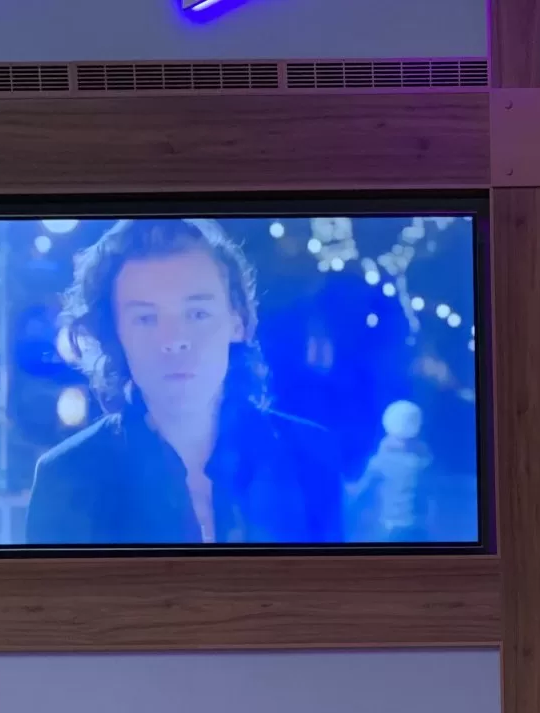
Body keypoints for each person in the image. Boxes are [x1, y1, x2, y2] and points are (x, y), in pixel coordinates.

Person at [25, 218, 342, 546]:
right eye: (146, 318)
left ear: (237, 321)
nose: (174, 340)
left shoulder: (309, 455)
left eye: (197, 314)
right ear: (115, 334)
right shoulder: (67, 477)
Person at [346, 399, 433, 542]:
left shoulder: (381, 462)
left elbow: (361, 492)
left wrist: (346, 489)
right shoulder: (425, 461)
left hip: (392, 528)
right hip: (420, 527)